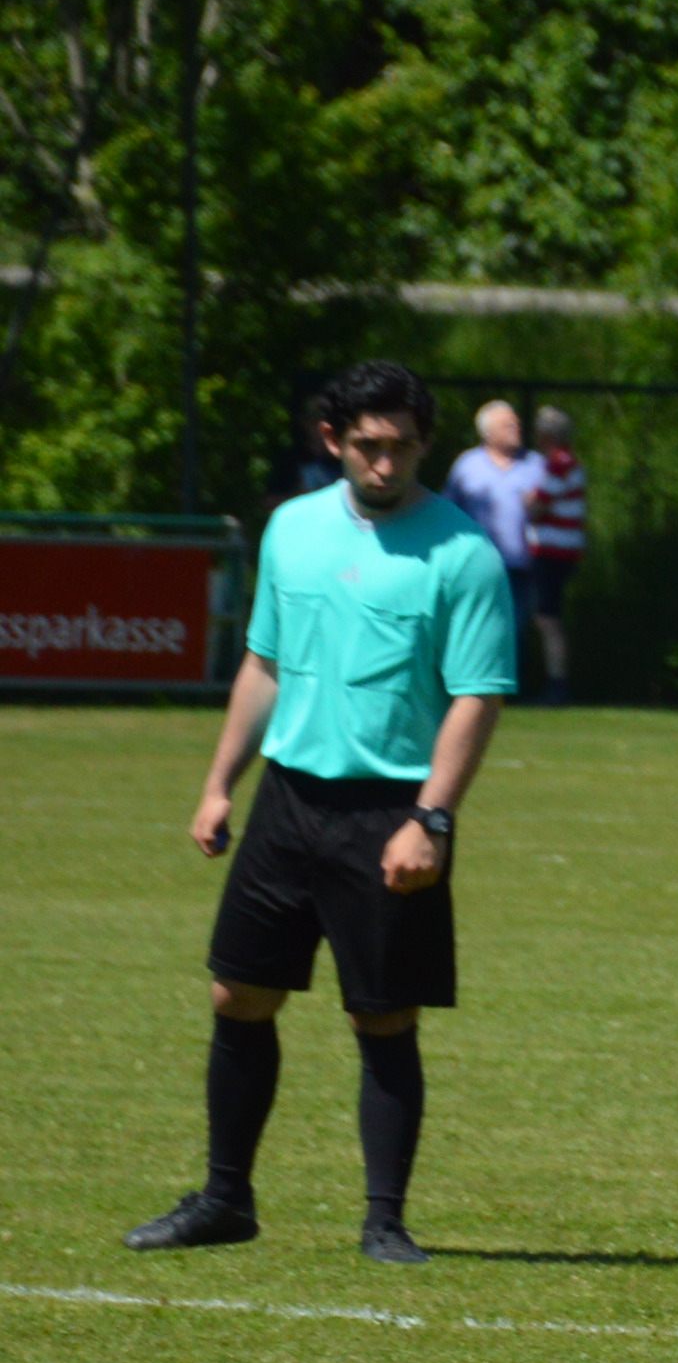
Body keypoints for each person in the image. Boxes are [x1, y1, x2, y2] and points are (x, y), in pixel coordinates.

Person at [130, 360, 518, 1265]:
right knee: (238, 992)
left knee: (381, 1015)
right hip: (288, 800)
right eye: (370, 446)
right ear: (333, 440)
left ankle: (385, 1223)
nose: (387, 465)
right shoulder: (292, 530)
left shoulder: (463, 553)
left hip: (393, 812)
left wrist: (432, 819)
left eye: (404, 447)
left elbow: (478, 696)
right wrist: (220, 782)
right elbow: (264, 664)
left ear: (425, 445)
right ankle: (225, 1200)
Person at [516, 403, 584, 702]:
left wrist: (527, 500)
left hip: (554, 552)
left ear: (547, 435)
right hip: (560, 551)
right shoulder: (567, 463)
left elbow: (538, 506)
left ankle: (557, 684)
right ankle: (555, 683)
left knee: (547, 619)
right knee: (548, 618)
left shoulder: (559, 464)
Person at [443, 397, 537, 599]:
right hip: (475, 564)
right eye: (508, 425)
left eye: (517, 424)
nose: (516, 428)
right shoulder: (467, 465)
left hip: (522, 567)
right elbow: (450, 510)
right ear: (488, 433)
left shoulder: (536, 465)